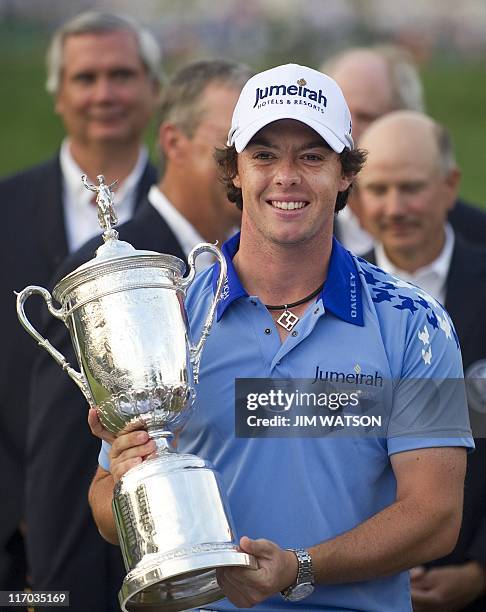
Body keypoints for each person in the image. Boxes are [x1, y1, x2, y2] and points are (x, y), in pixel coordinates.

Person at [88, 64, 473, 611]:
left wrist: (299, 568)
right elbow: (104, 506)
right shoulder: (168, 314)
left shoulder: (418, 321)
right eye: (264, 155)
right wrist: (127, 480)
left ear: (344, 176)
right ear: (235, 171)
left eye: (311, 156)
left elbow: (436, 516)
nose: (286, 176)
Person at [26, 59, 252, 612]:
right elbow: (62, 475)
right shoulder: (101, 278)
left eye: (256, 151)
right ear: (173, 141)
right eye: (230, 149)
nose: (246, 169)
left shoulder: (245, 264)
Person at [0, 10, 160, 594]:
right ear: (58, 95)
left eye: (121, 75)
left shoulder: (189, 223)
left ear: (153, 90)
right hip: (14, 535)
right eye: (85, 78)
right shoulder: (4, 210)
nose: (104, 93)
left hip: (154, 518)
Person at [357, 110, 486, 612]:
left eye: (411, 188)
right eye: (379, 189)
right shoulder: (327, 297)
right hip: (363, 587)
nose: (394, 208)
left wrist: (479, 569)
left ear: (450, 186)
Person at [322, 45, 486, 254]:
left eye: (365, 117)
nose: (347, 134)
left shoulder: (476, 237)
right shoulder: (298, 225)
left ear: (408, 120)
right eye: (338, 117)